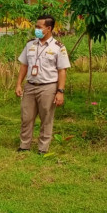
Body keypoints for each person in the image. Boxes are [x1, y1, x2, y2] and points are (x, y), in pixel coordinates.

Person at [15, 15, 70, 154]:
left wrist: (60, 91)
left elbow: (62, 71)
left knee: (46, 118)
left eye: (39, 27)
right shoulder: (30, 44)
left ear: (48, 28)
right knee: (26, 117)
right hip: (30, 85)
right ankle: (24, 145)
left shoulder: (58, 47)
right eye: (36, 26)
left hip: (48, 87)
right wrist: (18, 84)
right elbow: (24, 66)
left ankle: (42, 148)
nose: (36, 29)